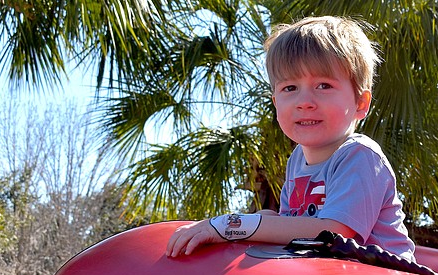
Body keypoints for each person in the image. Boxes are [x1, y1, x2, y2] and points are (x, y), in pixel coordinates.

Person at [166, 16, 416, 261]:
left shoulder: (360, 156)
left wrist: (232, 225)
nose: (304, 102)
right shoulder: (297, 160)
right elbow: (294, 226)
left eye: (323, 85)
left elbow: (335, 233)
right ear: (275, 102)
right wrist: (265, 218)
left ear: (361, 103)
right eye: (290, 88)